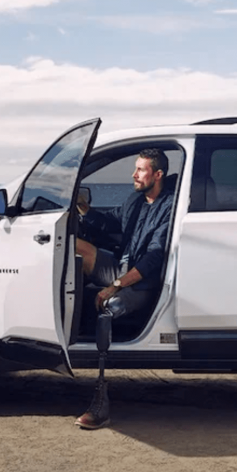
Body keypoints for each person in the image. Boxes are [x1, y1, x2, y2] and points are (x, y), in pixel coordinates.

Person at [73, 148, 174, 429]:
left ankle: (100, 401)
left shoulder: (169, 208)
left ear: (158, 174)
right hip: (121, 266)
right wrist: (83, 207)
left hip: (142, 282)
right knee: (73, 248)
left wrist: (114, 286)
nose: (133, 175)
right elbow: (110, 222)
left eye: (140, 170)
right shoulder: (135, 200)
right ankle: (66, 324)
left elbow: (153, 260)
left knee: (108, 308)